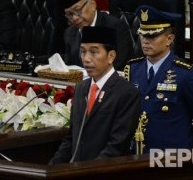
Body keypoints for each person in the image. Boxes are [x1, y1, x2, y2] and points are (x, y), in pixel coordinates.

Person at [124, 5, 193, 151]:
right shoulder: (132, 69)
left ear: (169, 39)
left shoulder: (185, 74)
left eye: (152, 36)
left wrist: (185, 147)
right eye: (143, 34)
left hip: (171, 158)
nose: (145, 41)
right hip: (137, 153)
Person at [49, 26, 141, 164]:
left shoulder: (126, 92)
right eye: (83, 52)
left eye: (94, 52)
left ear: (111, 56)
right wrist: (51, 168)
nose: (86, 59)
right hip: (75, 172)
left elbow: (116, 145)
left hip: (101, 175)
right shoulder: (81, 88)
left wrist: (87, 172)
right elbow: (71, 138)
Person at [63, 0, 133, 71]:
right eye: (70, 14)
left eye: (77, 11)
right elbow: (69, 64)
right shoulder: (70, 32)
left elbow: (120, 64)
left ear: (92, 4)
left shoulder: (114, 27)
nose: (75, 18)